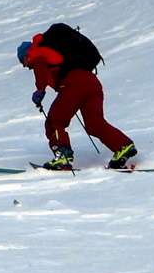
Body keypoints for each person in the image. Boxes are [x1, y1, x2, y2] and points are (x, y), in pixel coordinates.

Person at [18, 23, 136, 170]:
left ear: (26, 55)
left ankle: (63, 156)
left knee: (54, 121)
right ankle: (123, 146)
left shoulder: (35, 52)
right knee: (94, 124)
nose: (24, 66)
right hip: (92, 82)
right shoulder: (53, 52)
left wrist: (40, 90)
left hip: (74, 84)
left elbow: (40, 67)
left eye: (22, 61)